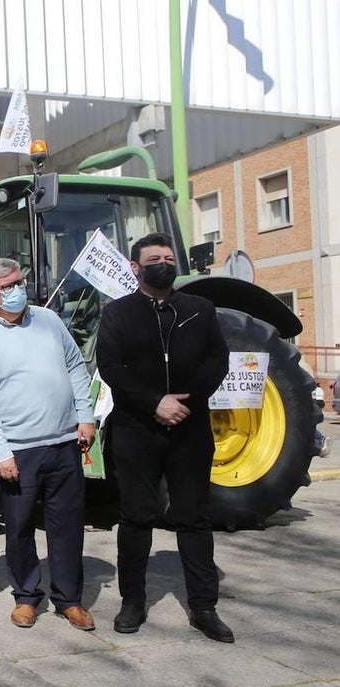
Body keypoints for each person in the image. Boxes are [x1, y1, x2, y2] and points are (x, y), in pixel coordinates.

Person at [96, 232, 233, 643]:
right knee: (136, 517)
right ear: (136, 268)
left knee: (193, 517)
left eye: (169, 257)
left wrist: (186, 403)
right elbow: (111, 366)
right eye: (154, 258)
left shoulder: (199, 309)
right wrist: (155, 402)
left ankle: (204, 606)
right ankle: (132, 602)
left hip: (190, 429)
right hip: (137, 429)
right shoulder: (117, 314)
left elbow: (218, 360)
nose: (164, 263)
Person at [0, 258, 96, 631]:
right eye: (7, 286)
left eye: (19, 281)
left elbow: (75, 366)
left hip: (63, 443)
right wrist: (0, 451)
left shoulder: (50, 321)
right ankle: (26, 597)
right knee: (19, 527)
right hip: (18, 451)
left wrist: (84, 415)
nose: (16, 290)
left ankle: (69, 599)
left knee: (68, 526)